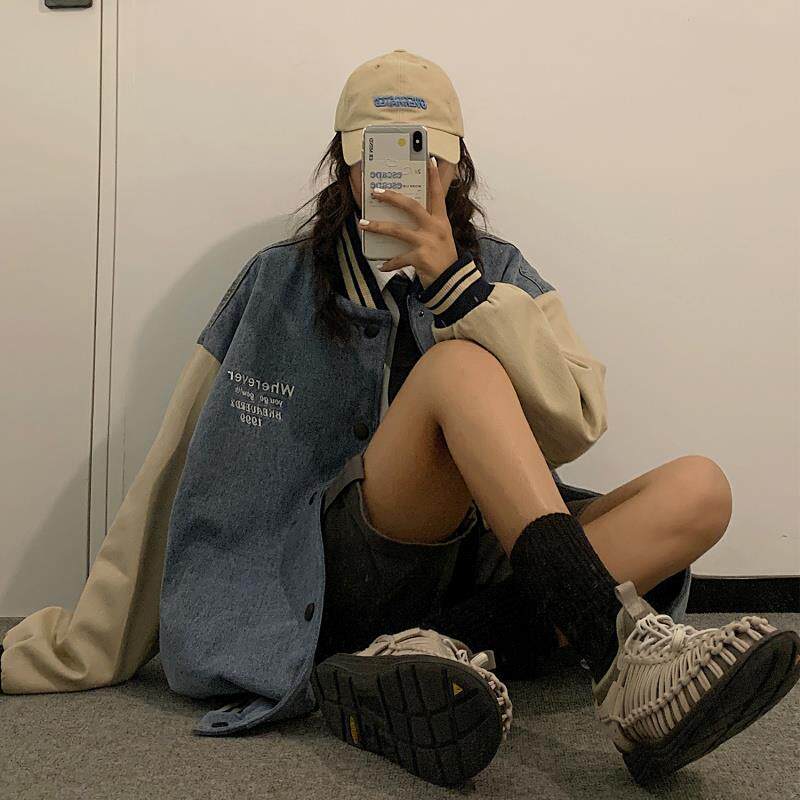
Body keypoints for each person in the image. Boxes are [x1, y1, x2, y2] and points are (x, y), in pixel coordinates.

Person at [2, 48, 798, 791]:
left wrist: (458, 288)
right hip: (340, 570)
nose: (406, 173)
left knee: (701, 490)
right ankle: (619, 660)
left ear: (456, 164)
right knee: (456, 371)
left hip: (482, 560)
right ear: (345, 164)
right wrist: (93, 637)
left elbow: (574, 425)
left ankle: (435, 648)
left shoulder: (498, 270)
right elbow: (182, 461)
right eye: (377, 153)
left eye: (425, 153)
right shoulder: (280, 281)